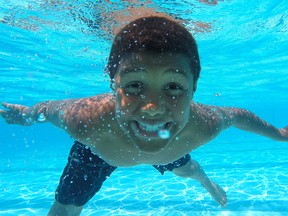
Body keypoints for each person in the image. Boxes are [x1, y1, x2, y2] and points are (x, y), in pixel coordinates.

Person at [1, 16, 287, 216]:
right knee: (65, 209)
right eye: (135, 85)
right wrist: (25, 115)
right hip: (101, 151)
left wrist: (280, 135)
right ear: (113, 85)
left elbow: (238, 115)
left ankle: (208, 184)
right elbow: (47, 110)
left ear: (194, 89)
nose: (152, 108)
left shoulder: (202, 125)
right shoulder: (87, 122)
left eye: (173, 87)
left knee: (190, 171)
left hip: (169, 137)